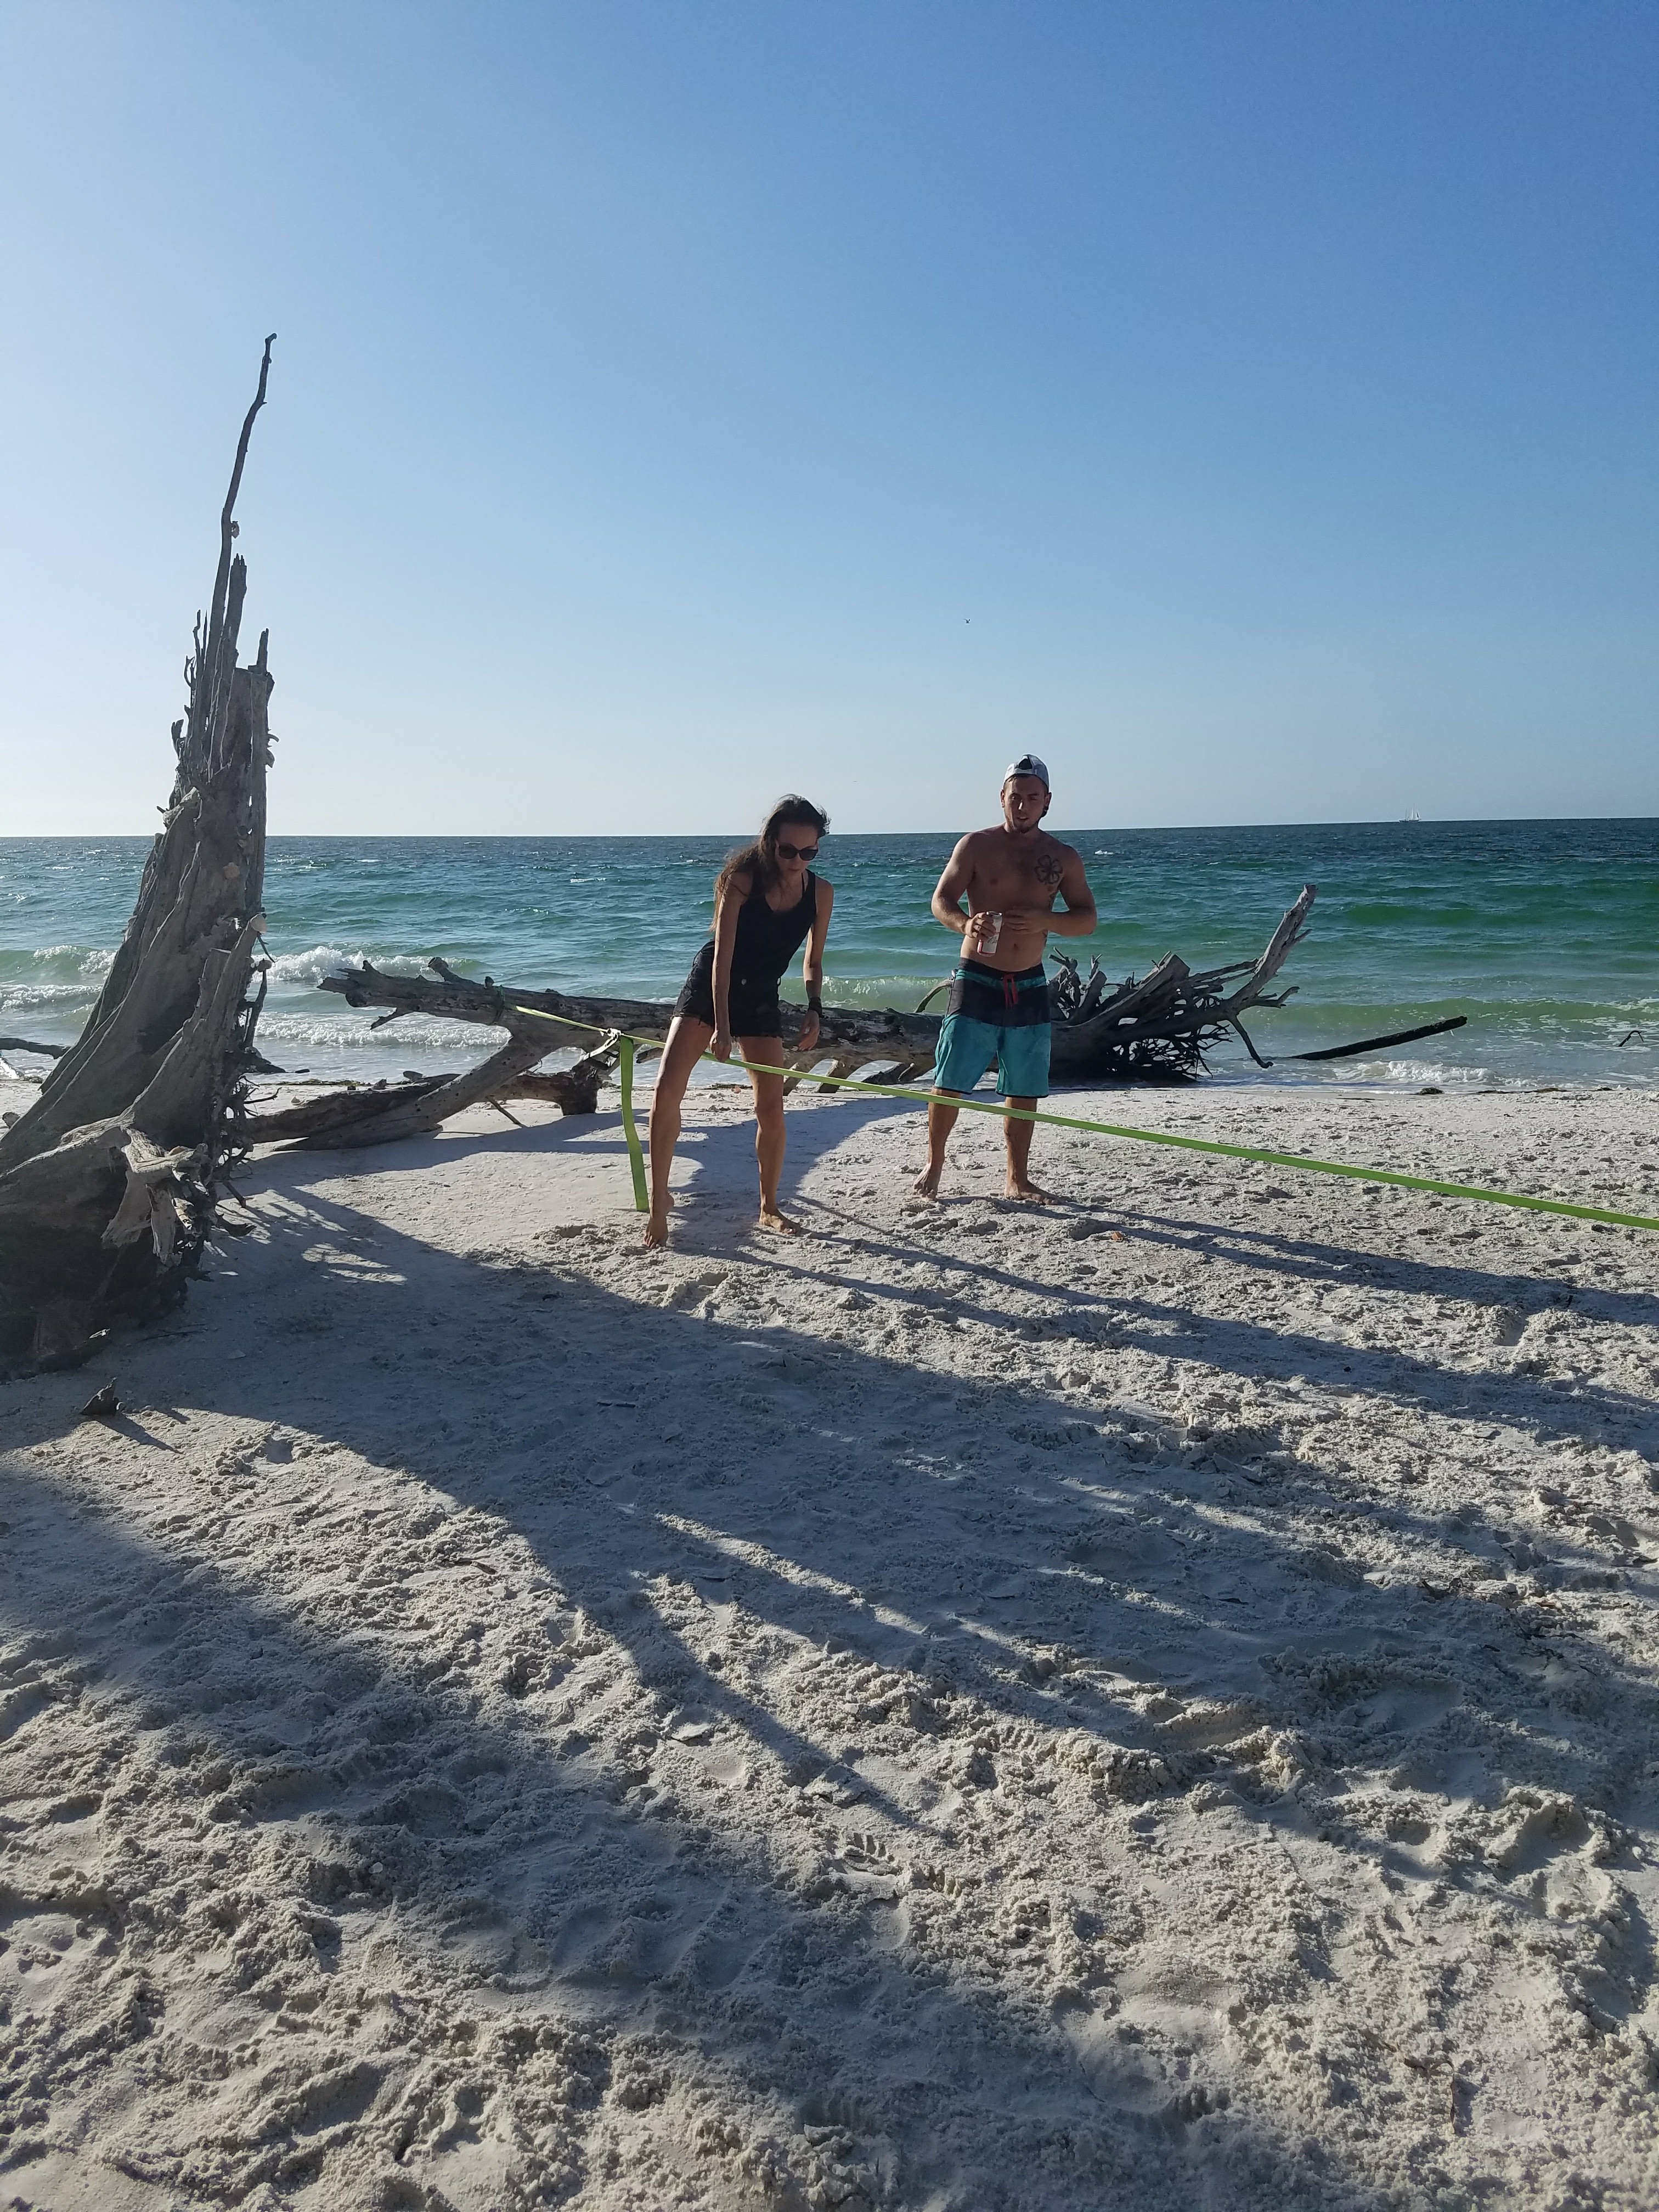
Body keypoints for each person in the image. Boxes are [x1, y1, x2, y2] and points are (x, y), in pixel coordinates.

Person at [646, 797, 834, 1248]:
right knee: (667, 1089)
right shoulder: (742, 880)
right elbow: (722, 962)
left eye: (808, 853)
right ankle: (658, 1204)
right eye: (788, 851)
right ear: (771, 843)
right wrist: (723, 1029)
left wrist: (814, 1008)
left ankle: (769, 1207)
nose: (796, 862)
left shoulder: (820, 893)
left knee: (771, 1107)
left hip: (762, 994)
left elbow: (813, 961)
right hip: (711, 986)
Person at [913, 755, 1096, 1203]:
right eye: (1015, 797)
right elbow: (941, 900)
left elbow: (1087, 918)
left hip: (1029, 982)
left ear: (1047, 802)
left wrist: (1045, 920)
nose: (1022, 806)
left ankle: (1017, 1176)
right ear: (1002, 798)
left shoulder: (1062, 857)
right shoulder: (975, 845)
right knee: (950, 1076)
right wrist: (963, 924)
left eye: (1032, 798)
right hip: (977, 976)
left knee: (1024, 1084)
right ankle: (934, 1163)